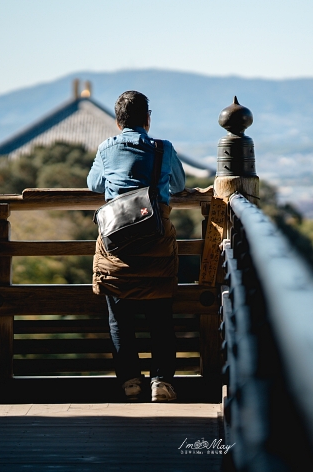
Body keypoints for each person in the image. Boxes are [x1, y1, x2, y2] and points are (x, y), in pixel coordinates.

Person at [88, 90, 186, 402]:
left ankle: (130, 381)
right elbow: (180, 185)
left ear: (118, 122)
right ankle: (161, 383)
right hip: (156, 242)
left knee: (120, 319)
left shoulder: (106, 148)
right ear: (147, 119)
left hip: (116, 245)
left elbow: (94, 184)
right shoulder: (163, 148)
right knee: (160, 317)